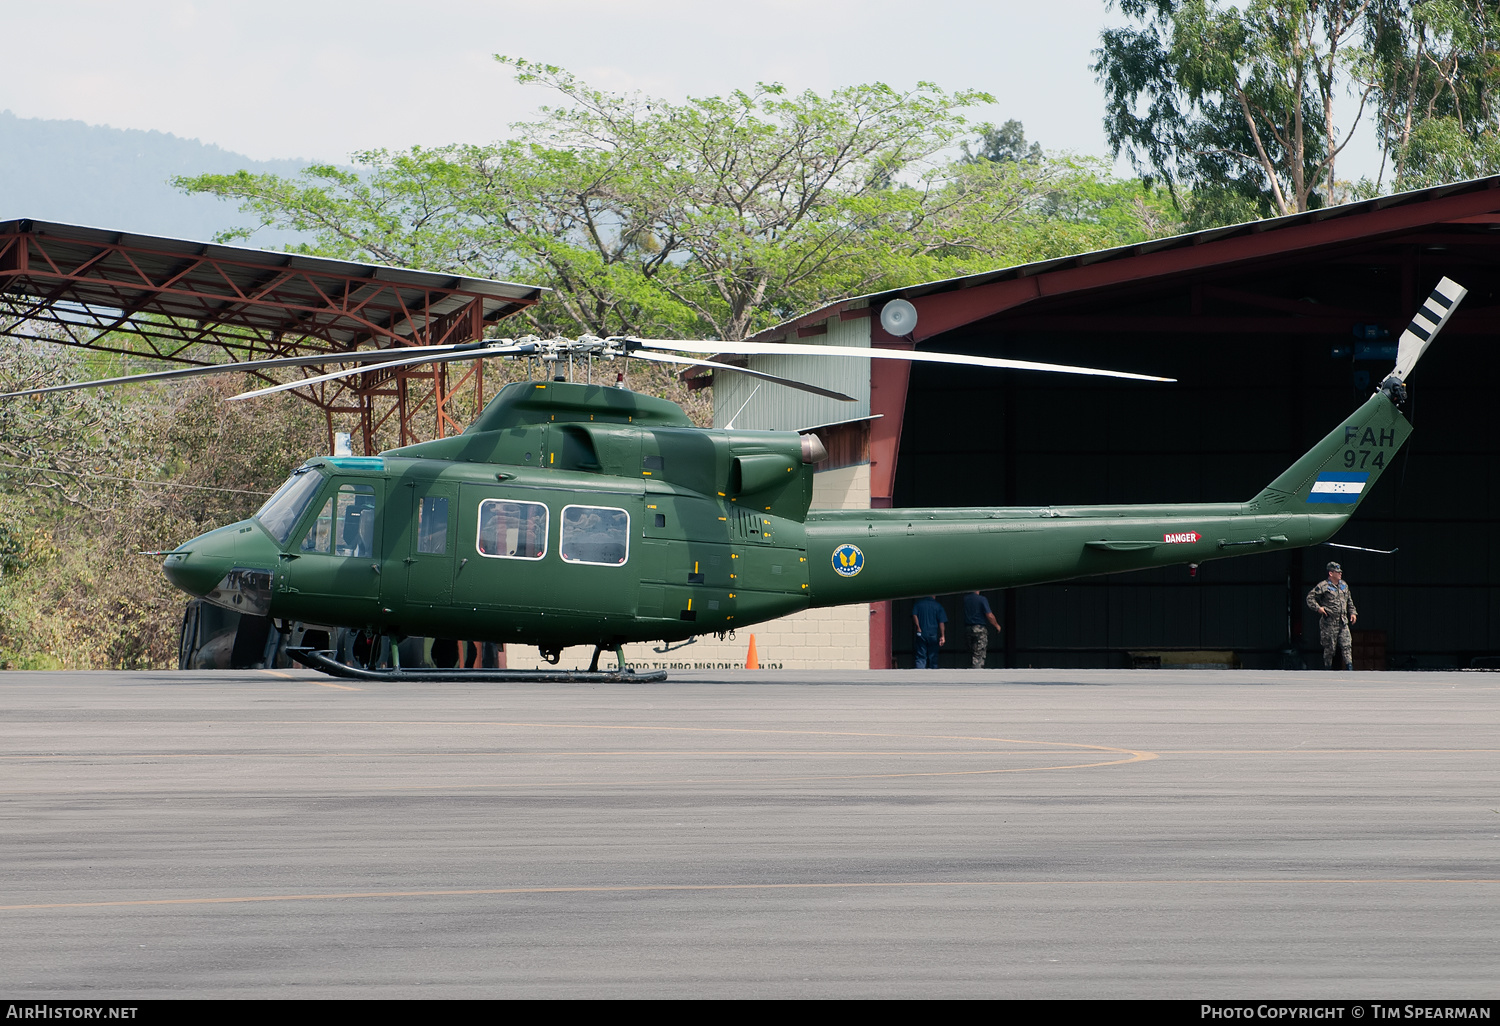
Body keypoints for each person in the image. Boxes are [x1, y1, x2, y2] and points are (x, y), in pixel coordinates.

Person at [1307, 561, 1358, 670]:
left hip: (1343, 622)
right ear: (1331, 573)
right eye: (1337, 572)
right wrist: (1318, 608)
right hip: (1329, 623)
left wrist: (1353, 612)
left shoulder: (1344, 585)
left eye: (1340, 572)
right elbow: (1310, 598)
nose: (1340, 574)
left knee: (1347, 646)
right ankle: (1328, 668)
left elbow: (1349, 601)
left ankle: (1350, 668)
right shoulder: (1323, 586)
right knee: (1329, 648)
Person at [962, 590, 1003, 668]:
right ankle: (977, 672)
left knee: (970, 652)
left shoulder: (966, 599)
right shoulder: (982, 599)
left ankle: (969, 670)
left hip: (968, 628)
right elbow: (989, 615)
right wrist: (996, 625)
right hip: (979, 628)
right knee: (979, 653)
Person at [911, 595, 946, 669]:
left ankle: (919, 674)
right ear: (934, 596)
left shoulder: (918, 604)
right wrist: (942, 635)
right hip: (933, 634)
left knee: (920, 656)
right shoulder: (938, 606)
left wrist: (918, 627)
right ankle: (933, 675)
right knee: (933, 657)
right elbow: (941, 622)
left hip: (921, 633)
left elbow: (914, 614)